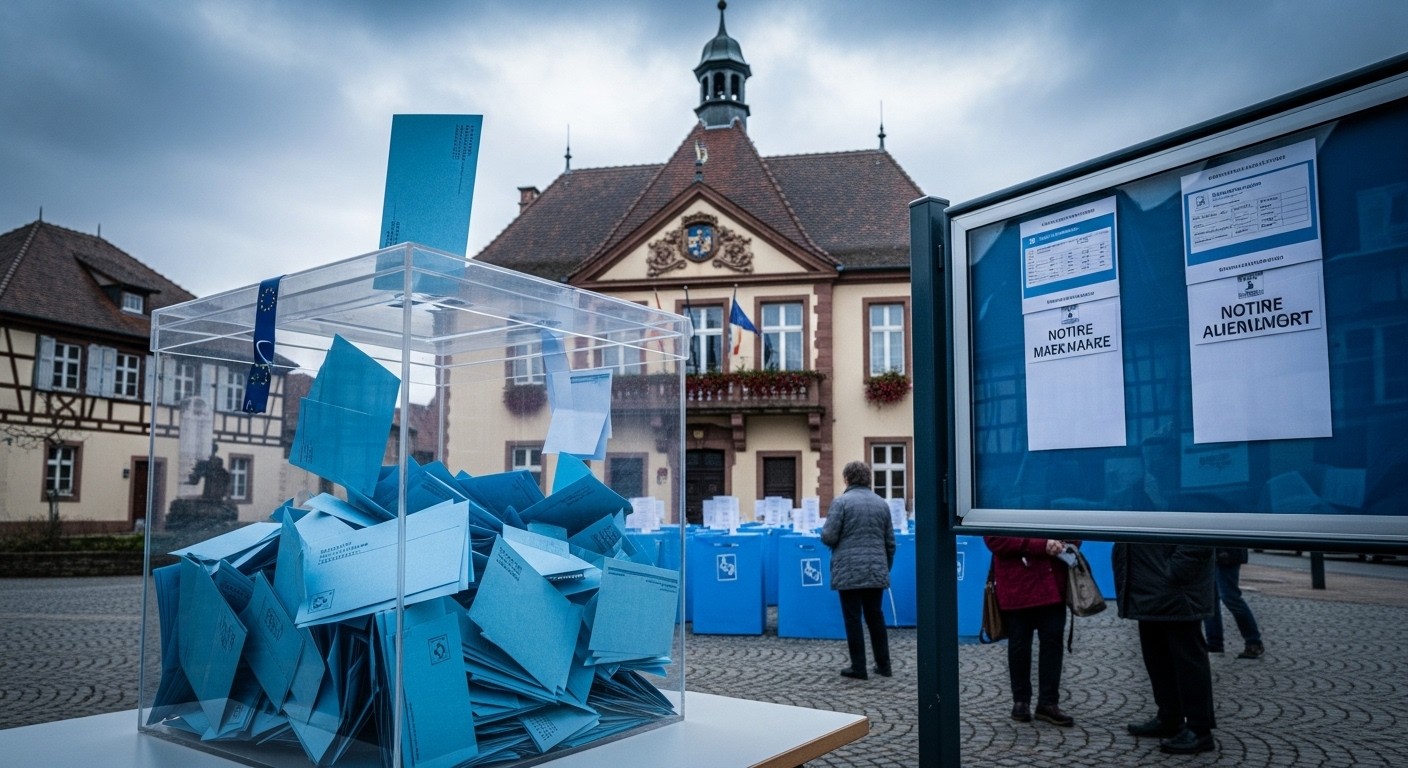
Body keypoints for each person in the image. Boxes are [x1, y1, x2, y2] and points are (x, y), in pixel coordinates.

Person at [1113, 429, 1218, 755]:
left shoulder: (1188, 488)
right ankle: (1169, 716)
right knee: (1156, 658)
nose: (1152, 460)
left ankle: (1200, 729)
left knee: (1188, 660)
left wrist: (1175, 572)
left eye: (1158, 454)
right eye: (1148, 455)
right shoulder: (1141, 488)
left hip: (1176, 590)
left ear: (1171, 457)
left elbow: (1202, 535)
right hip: (1147, 589)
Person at [984, 536, 1075, 726]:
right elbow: (994, 539)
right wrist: (1041, 545)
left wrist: (1061, 543)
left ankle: (1047, 702)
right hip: (1017, 582)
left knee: (1052, 642)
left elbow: (1076, 528)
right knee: (1019, 643)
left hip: (1051, 580)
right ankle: (1021, 701)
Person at [820, 460, 895, 680]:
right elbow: (890, 543)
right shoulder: (882, 504)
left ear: (847, 479)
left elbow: (829, 536)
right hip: (875, 570)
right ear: (868, 479)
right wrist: (884, 566)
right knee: (875, 617)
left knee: (853, 618)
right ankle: (884, 665)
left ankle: (858, 667)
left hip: (849, 570)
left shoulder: (841, 502)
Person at [1204, 547, 1265, 658]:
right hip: (1219, 551)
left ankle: (1253, 641)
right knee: (1210, 597)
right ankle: (1214, 643)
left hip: (1227, 552)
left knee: (1229, 597)